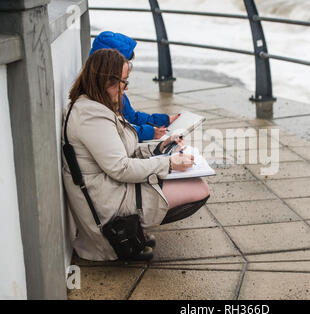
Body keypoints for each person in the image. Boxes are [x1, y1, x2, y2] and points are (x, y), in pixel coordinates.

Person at [62, 49, 210, 261]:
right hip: (108, 204)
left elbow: (121, 150)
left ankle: (134, 233)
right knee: (199, 189)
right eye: (124, 81)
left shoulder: (92, 106)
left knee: (195, 184)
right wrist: (169, 163)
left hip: (109, 189)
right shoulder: (91, 117)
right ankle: (123, 236)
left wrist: (160, 147)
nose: (126, 88)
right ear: (107, 81)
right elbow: (121, 168)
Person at [90, 31, 180, 141]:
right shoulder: (98, 97)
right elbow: (116, 132)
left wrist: (165, 120)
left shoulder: (114, 90)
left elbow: (132, 117)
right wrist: (150, 133)